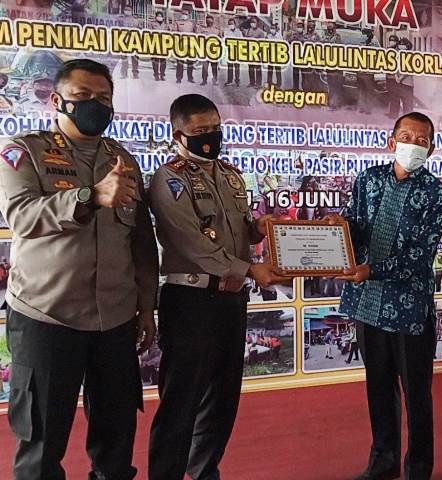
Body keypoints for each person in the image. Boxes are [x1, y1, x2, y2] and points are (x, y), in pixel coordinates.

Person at [0, 59, 159, 480]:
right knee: (41, 443)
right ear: (57, 101)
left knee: (116, 441)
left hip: (115, 320)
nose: (95, 105)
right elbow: (22, 217)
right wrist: (90, 196)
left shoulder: (123, 160)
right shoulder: (23, 152)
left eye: (104, 98)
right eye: (83, 96)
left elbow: (141, 243)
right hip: (48, 315)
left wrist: (146, 307)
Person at [148, 94, 288, 480]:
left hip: (230, 298)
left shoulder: (230, 175)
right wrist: (251, 269)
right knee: (181, 399)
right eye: (199, 130)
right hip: (190, 299)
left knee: (223, 396)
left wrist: (258, 228)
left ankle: (205, 471)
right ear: (178, 134)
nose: (209, 136)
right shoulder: (169, 179)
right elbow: (191, 243)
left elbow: (239, 229)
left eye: (214, 128)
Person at [334, 112, 442, 480]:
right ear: (392, 141)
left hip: (409, 307)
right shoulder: (368, 179)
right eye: (406, 137)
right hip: (367, 301)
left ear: (431, 149)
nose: (413, 145)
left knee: (416, 393)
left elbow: (421, 254)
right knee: (378, 387)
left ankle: (418, 468)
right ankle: (383, 462)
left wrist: (371, 269)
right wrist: (336, 230)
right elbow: (353, 225)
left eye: (421, 140)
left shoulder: (437, 193)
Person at [175, 10, 196, 84]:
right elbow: (174, 32)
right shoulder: (177, 22)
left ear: (188, 15)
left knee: (190, 62)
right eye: (183, 14)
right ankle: (179, 78)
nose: (184, 15)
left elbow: (195, 33)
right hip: (181, 44)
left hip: (190, 44)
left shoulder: (192, 23)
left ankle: (190, 78)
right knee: (180, 62)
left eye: (186, 14)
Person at [120, 5, 140, 79]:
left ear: (131, 11)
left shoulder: (136, 20)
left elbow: (139, 30)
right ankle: (124, 74)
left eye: (129, 10)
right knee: (124, 58)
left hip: (134, 40)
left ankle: (135, 74)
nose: (127, 11)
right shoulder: (120, 19)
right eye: (126, 9)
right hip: (123, 40)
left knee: (135, 58)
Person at [245, 17, 266, 88]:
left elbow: (263, 44)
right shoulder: (248, 30)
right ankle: (252, 82)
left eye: (254, 22)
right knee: (250, 68)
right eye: (251, 22)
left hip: (257, 53)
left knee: (258, 68)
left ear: (257, 23)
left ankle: (258, 84)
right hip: (250, 52)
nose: (252, 23)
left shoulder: (261, 32)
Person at [200, 15, 220, 86]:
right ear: (206, 21)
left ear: (213, 21)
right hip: (205, 51)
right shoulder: (203, 30)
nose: (209, 22)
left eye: (210, 20)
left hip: (214, 51)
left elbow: (220, 40)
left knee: (214, 67)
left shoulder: (217, 30)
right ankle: (204, 80)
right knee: (204, 67)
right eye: (207, 21)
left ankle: (215, 80)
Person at [151, 11, 168, 81]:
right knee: (155, 61)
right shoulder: (152, 24)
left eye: (160, 16)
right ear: (155, 17)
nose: (159, 17)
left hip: (163, 44)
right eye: (158, 16)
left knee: (163, 61)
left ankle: (162, 75)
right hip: (155, 43)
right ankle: (156, 75)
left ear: (163, 17)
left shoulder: (166, 25)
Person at [225, 18, 242, 87]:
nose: (230, 25)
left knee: (237, 67)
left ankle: (237, 81)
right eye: (229, 24)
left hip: (237, 51)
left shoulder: (239, 32)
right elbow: (225, 41)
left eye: (231, 24)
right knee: (230, 67)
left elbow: (241, 42)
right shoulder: (227, 32)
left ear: (235, 24)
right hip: (229, 51)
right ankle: (229, 81)